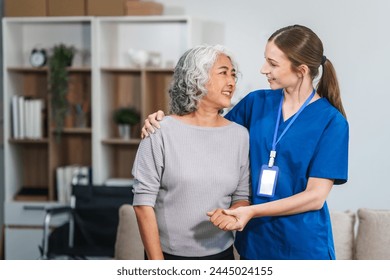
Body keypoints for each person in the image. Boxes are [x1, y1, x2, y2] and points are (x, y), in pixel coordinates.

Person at [141, 24, 349, 260]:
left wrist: (251, 211)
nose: (263, 69)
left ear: (301, 70)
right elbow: (205, 129)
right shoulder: (255, 103)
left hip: (303, 245)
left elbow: (315, 197)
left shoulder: (332, 122)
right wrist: (163, 121)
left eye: (272, 64)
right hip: (255, 243)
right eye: (265, 60)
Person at [132, 44, 251, 260]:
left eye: (233, 74)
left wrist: (232, 215)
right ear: (195, 79)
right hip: (167, 257)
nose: (232, 82)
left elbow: (241, 197)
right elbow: (142, 204)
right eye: (223, 73)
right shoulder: (159, 131)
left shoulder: (240, 136)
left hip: (221, 257)